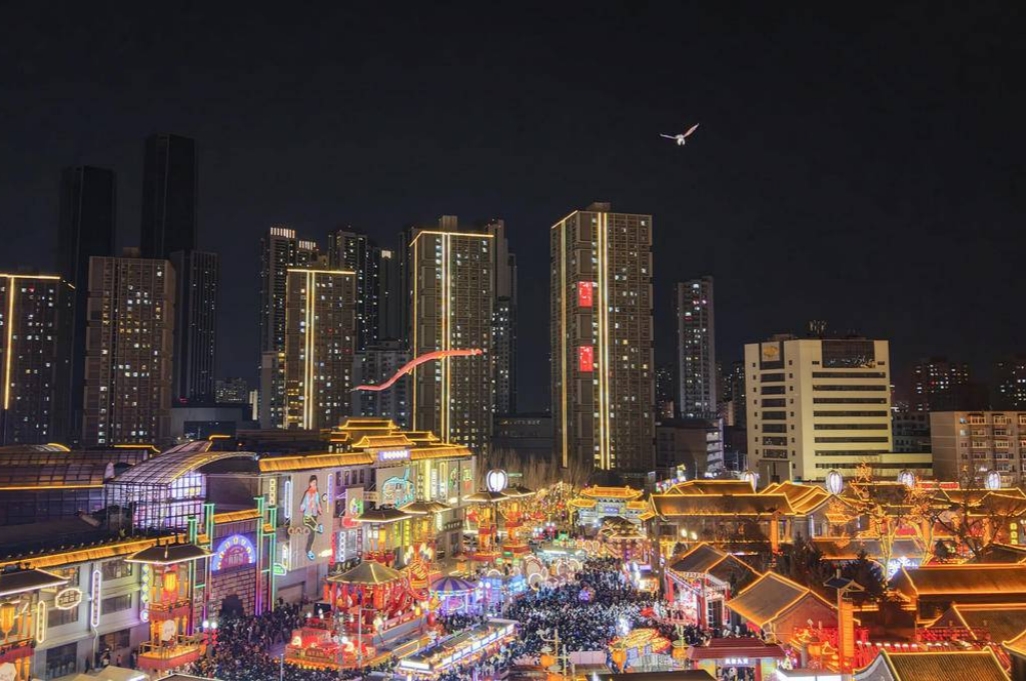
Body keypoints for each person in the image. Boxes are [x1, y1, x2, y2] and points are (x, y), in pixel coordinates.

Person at [299, 475, 324, 561]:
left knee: (312, 535)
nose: (314, 484)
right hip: (308, 514)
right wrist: (302, 507)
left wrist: (320, 509)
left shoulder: (316, 493)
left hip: (314, 514)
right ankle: (308, 550)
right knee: (312, 530)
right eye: (313, 482)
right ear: (310, 483)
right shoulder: (307, 493)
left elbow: (317, 502)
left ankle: (309, 550)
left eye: (315, 483)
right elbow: (304, 503)